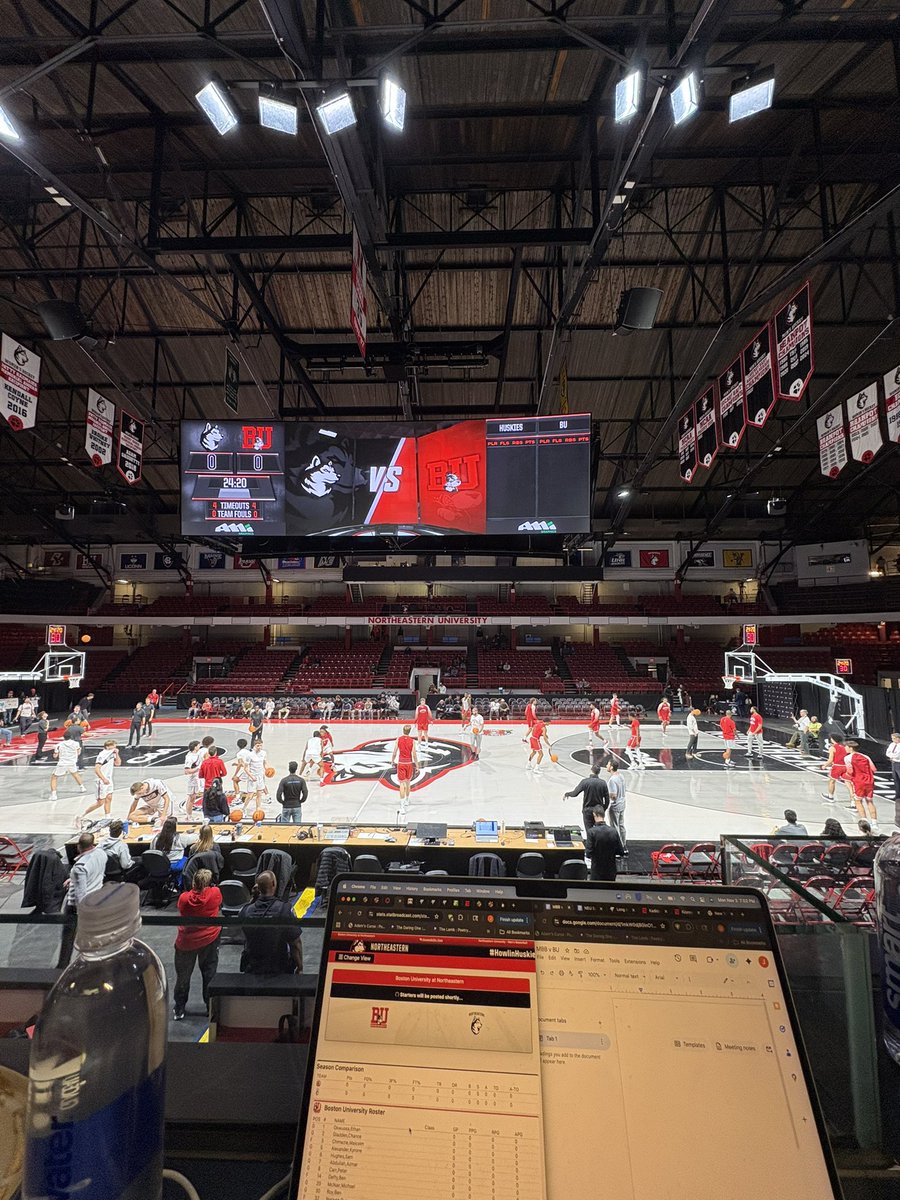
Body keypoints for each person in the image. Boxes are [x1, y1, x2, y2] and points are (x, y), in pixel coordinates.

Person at [172, 868, 222, 1021]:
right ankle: (210, 1008)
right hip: (210, 939)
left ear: (193, 882)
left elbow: (181, 908)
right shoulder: (215, 893)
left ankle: (179, 1007)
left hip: (186, 942)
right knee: (209, 973)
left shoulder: (184, 898)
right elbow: (218, 902)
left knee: (183, 976)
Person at [58, 832, 108, 967]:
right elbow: (94, 871)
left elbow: (81, 893)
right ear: (93, 844)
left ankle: (64, 965)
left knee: (69, 936)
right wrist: (73, 879)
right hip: (97, 899)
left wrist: (82, 913)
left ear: (79, 846)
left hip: (79, 907)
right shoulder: (101, 854)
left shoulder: (80, 866)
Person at [239, 871, 303, 975]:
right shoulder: (284, 910)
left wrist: (254, 897)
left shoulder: (245, 911)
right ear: (273, 884)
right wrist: (300, 967)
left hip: (253, 968)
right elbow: (295, 943)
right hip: (278, 968)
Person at [80, 739, 121, 824]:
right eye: (113, 746)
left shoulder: (112, 753)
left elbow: (118, 763)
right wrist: (103, 779)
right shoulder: (102, 755)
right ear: (107, 747)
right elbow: (97, 769)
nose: (115, 748)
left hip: (109, 779)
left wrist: (117, 754)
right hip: (101, 780)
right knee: (100, 802)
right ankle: (82, 815)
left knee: (109, 798)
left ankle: (107, 817)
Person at [563, 765, 610, 837]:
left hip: (587, 810)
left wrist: (568, 794)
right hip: (598, 811)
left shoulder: (585, 782)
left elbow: (575, 793)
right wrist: (603, 809)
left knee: (589, 832)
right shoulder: (603, 783)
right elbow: (607, 800)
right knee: (599, 831)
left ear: (591, 770)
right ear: (599, 772)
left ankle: (590, 843)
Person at [584, 806, 624, 882]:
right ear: (603, 815)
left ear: (594, 815)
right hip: (611, 872)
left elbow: (588, 853)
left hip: (597, 872)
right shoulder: (613, 831)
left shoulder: (591, 832)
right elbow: (621, 852)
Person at [844, 741, 879, 829]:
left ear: (851, 748)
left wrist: (846, 776)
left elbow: (850, 771)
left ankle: (864, 822)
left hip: (859, 781)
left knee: (858, 801)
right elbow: (873, 769)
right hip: (869, 781)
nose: (845, 748)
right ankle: (874, 824)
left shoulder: (847, 758)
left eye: (846, 746)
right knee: (870, 801)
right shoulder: (866, 756)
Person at [49, 735, 85, 800]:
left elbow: (55, 756)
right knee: (75, 774)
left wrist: (55, 754)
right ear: (71, 737)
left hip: (62, 763)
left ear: (64, 737)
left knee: (54, 777)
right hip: (72, 763)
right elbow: (78, 752)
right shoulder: (76, 744)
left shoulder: (59, 745)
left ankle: (54, 795)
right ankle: (82, 787)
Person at [391, 723, 419, 806]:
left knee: (402, 784)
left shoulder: (398, 740)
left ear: (403, 730)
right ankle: (407, 800)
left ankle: (402, 804)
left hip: (401, 763)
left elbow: (394, 752)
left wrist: (392, 761)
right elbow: (414, 755)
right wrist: (417, 766)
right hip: (409, 763)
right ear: (409, 731)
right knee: (408, 783)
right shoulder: (412, 741)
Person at [822, 734, 853, 804]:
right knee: (849, 784)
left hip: (837, 766)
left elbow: (830, 760)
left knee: (832, 781)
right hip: (846, 766)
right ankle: (853, 802)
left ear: (833, 739)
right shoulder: (845, 747)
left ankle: (830, 796)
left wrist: (824, 765)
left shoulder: (832, 748)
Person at [606, 762, 627, 852]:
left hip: (615, 805)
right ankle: (623, 845)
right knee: (621, 825)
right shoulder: (621, 776)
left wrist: (606, 794)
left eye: (608, 765)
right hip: (622, 803)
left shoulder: (612, 780)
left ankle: (617, 848)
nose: (606, 766)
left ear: (611, 767)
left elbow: (613, 796)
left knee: (614, 827)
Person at [183, 740, 204, 818]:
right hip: (193, 779)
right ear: (195, 747)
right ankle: (188, 816)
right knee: (192, 797)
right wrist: (198, 768)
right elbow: (186, 771)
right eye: (198, 745)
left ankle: (188, 815)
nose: (200, 746)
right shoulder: (190, 757)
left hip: (198, 778)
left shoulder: (197, 754)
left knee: (193, 797)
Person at [887, 732, 900, 828]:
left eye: (894, 738)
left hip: (898, 763)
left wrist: (892, 756)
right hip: (893, 763)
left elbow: (897, 755)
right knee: (896, 780)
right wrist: (891, 756)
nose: (892, 740)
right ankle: (898, 795)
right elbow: (887, 752)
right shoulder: (892, 745)